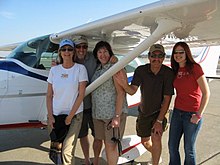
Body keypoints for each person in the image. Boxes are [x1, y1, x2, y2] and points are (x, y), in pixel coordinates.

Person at [115, 44, 174, 165]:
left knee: (156, 138)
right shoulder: (141, 70)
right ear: (149, 56)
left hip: (159, 111)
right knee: (145, 142)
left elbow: (167, 98)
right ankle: (156, 155)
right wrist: (124, 84)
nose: (156, 59)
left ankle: (156, 162)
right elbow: (132, 91)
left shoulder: (168, 73)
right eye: (153, 55)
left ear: (163, 57)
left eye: (160, 56)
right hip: (144, 112)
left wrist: (159, 121)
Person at [46, 39, 88, 165]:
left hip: (74, 116)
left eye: (69, 49)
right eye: (63, 49)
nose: (67, 52)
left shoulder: (80, 69)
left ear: (73, 51)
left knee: (66, 152)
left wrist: (70, 117)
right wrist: (50, 116)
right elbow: (49, 95)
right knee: (56, 150)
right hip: (55, 116)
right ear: (60, 52)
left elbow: (81, 95)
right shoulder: (54, 70)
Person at [168, 42, 210, 165]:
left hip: (192, 114)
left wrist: (198, 115)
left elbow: (206, 93)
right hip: (177, 112)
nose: (178, 55)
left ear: (187, 53)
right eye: (175, 52)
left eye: (181, 52)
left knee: (189, 149)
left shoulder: (195, 68)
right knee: (172, 146)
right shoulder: (175, 70)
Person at [91, 41, 128, 165]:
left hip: (112, 116)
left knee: (111, 146)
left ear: (110, 53)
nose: (103, 55)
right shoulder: (98, 69)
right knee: (102, 142)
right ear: (96, 55)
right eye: (100, 52)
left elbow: (121, 93)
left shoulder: (115, 68)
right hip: (99, 115)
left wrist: (117, 116)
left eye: (105, 51)